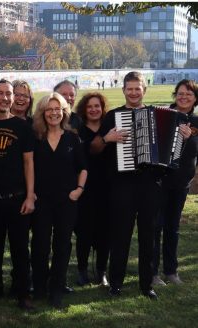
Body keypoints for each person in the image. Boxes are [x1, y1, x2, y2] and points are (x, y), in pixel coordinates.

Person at [91, 72, 162, 299]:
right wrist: (106, 139)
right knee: (120, 235)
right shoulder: (113, 116)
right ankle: (116, 283)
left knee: (148, 236)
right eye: (129, 89)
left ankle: (146, 284)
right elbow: (93, 149)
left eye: (137, 88)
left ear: (144, 90)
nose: (133, 92)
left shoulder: (156, 115)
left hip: (149, 184)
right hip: (121, 185)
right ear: (123, 90)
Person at [0, 79, 36, 309]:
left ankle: (23, 292)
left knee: (20, 248)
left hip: (17, 197)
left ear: (13, 98)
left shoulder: (23, 127)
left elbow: (28, 162)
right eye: (0, 93)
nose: (4, 98)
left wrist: (30, 195)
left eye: (8, 94)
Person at [30, 94, 88, 309]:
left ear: (64, 112)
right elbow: (28, 167)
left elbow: (83, 167)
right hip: (42, 200)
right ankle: (39, 287)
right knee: (40, 245)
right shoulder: (36, 138)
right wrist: (31, 192)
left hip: (67, 200)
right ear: (42, 113)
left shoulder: (72, 138)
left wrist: (79, 190)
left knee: (62, 245)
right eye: (49, 109)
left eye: (58, 109)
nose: (54, 113)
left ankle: (57, 290)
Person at [153, 79, 198, 286]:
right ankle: (153, 273)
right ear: (175, 95)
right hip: (160, 181)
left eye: (188, 94)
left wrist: (189, 139)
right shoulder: (162, 114)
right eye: (180, 93)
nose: (184, 97)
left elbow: (193, 153)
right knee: (156, 226)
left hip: (181, 183)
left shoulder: (196, 122)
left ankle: (171, 271)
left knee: (173, 228)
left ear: (195, 99)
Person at [74, 92, 111, 287]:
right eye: (90, 107)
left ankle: (101, 271)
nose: (94, 110)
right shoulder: (79, 131)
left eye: (97, 106)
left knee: (105, 232)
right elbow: (86, 152)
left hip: (107, 187)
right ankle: (82, 270)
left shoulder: (109, 127)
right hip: (86, 189)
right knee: (84, 231)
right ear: (84, 109)